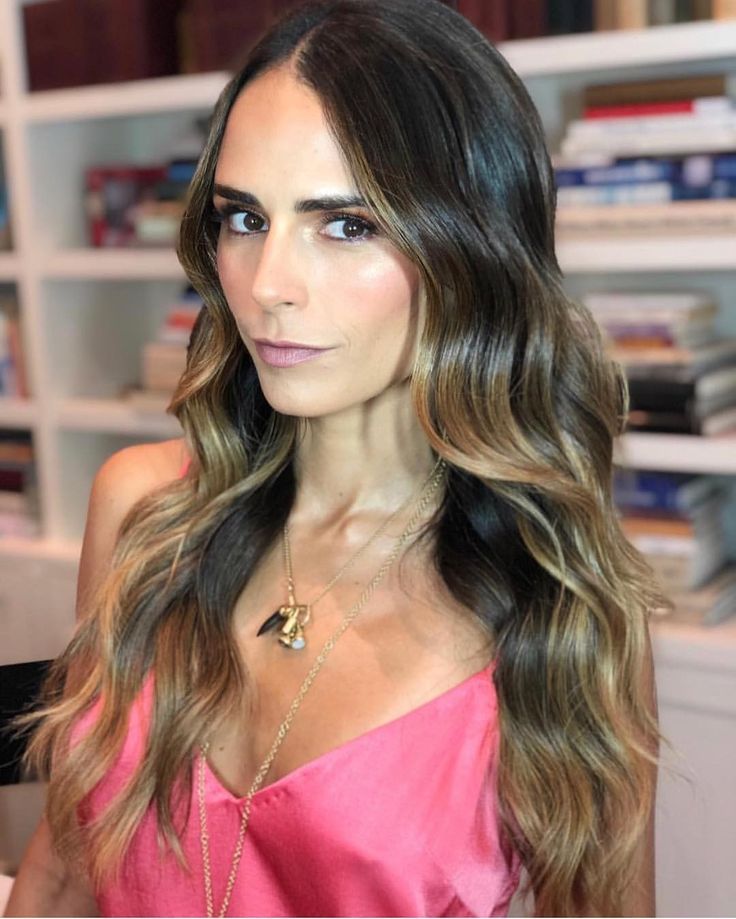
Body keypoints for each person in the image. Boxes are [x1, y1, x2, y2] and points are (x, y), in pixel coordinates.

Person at [5, 0, 669, 916]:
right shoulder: (145, 512)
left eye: (347, 223)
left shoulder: (558, 614)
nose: (268, 284)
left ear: (472, 249)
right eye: (244, 218)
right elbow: (68, 858)